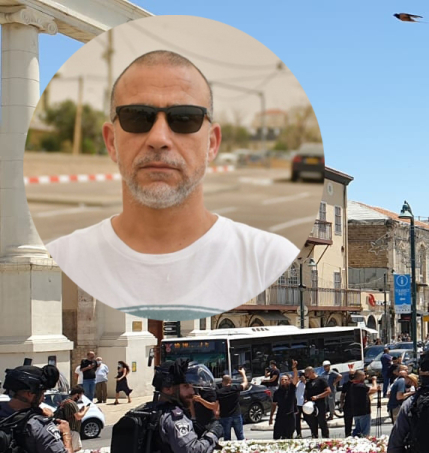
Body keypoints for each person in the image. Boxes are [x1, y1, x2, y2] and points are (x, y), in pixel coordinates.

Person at [45, 50, 299, 321]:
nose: (159, 138)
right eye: (137, 117)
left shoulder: (270, 260)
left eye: (184, 119)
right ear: (111, 142)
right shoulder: (61, 259)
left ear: (212, 143)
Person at [215, 369, 248, 441]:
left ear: (222, 382)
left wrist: (217, 413)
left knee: (227, 437)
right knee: (240, 436)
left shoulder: (219, 392)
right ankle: (242, 447)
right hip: (236, 414)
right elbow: (245, 383)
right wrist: (243, 373)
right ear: (230, 381)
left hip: (225, 416)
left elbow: (216, 405)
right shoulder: (235, 388)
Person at [346, 371, 379, 438]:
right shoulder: (361, 386)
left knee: (358, 432)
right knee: (365, 433)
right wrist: (374, 380)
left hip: (356, 412)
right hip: (364, 412)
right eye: (364, 376)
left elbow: (366, 393)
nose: (365, 377)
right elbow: (374, 389)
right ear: (360, 376)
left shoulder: (353, 386)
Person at [55, 387, 89, 453]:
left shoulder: (65, 401)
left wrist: (81, 410)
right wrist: (85, 410)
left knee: (76, 448)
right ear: (77, 394)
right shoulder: (72, 403)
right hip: (72, 429)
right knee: (73, 450)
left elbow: (73, 414)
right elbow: (78, 417)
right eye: (81, 395)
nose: (81, 398)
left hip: (68, 429)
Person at [302, 365, 331, 439]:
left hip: (320, 404)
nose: (306, 375)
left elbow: (328, 391)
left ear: (312, 372)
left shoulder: (321, 380)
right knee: (313, 423)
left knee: (322, 422)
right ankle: (314, 437)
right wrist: (305, 399)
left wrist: (317, 396)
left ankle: (325, 438)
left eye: (307, 373)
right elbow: (306, 392)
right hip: (311, 406)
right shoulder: (308, 382)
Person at [269, 367, 298, 440]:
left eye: (285, 379)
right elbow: (274, 405)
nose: (283, 381)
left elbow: (295, 379)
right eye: (282, 380)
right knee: (276, 436)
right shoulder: (277, 392)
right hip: (280, 416)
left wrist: (294, 368)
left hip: (290, 416)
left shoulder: (291, 389)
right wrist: (271, 417)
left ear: (289, 380)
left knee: (288, 436)